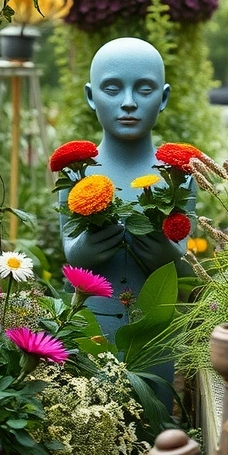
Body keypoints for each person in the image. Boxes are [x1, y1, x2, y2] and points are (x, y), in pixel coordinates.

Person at [61, 37, 194, 338]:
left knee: (158, 387)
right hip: (92, 323)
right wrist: (84, 252)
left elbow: (185, 263)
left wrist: (165, 256)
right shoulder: (75, 173)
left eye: (144, 90)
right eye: (112, 89)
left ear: (163, 98)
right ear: (91, 96)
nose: (129, 102)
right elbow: (70, 249)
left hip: (155, 329)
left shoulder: (179, 176)